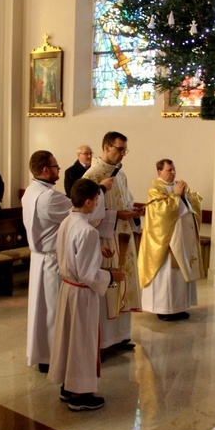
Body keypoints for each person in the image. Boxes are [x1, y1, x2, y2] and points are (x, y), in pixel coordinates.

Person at [21, 150, 115, 373]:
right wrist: (101, 189)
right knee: (55, 311)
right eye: (55, 167)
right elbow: (81, 213)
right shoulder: (49, 197)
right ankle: (55, 357)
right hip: (54, 259)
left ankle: (43, 354)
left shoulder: (30, 191)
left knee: (42, 311)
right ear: (45, 170)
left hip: (39, 259)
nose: (58, 170)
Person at [48, 178, 124, 411]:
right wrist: (111, 276)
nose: (98, 204)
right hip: (82, 294)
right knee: (82, 342)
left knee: (69, 339)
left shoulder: (68, 221)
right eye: (97, 200)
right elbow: (89, 274)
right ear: (89, 201)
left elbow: (70, 252)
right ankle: (80, 396)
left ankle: (67, 386)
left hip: (68, 288)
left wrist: (96, 251)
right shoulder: (89, 231)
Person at [83, 131, 143, 352]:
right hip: (105, 240)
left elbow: (126, 199)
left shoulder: (121, 174)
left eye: (125, 150)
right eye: (120, 149)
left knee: (121, 285)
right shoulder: (92, 175)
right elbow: (85, 213)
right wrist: (116, 215)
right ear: (106, 147)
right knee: (109, 287)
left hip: (123, 239)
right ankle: (104, 341)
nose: (123, 155)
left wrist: (132, 211)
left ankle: (120, 336)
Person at [137, 159, 204, 321]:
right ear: (159, 172)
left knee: (179, 276)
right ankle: (164, 309)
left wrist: (186, 196)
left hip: (181, 240)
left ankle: (179, 307)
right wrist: (176, 195)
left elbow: (191, 205)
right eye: (169, 170)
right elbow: (161, 213)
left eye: (174, 170)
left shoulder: (176, 186)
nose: (173, 173)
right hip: (165, 242)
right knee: (166, 276)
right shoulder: (155, 189)